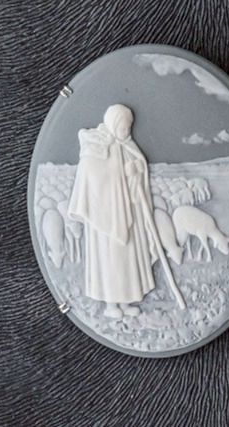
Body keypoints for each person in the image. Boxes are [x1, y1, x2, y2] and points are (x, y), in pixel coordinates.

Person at [68, 104, 158, 319]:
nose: (127, 130)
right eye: (123, 126)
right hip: (106, 219)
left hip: (128, 213)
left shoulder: (127, 146)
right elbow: (92, 176)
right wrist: (122, 174)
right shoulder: (97, 145)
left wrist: (136, 172)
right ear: (113, 123)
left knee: (127, 260)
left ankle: (126, 301)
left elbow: (137, 172)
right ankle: (110, 304)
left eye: (129, 126)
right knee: (110, 261)